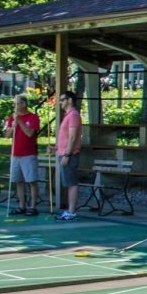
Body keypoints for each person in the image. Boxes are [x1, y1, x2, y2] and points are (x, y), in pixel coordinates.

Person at [4, 94, 42, 215]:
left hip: (28, 153)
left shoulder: (33, 117)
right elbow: (7, 135)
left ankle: (33, 207)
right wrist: (12, 127)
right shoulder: (12, 118)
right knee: (18, 181)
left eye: (17, 103)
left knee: (31, 180)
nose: (15, 106)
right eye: (14, 104)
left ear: (23, 104)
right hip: (15, 153)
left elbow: (30, 133)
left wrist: (20, 121)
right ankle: (22, 206)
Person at [53, 91, 83, 221]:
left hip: (70, 154)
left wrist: (67, 154)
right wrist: (56, 148)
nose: (60, 102)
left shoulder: (73, 115)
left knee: (72, 183)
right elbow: (66, 138)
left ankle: (71, 211)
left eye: (62, 100)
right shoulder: (67, 115)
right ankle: (70, 210)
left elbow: (72, 137)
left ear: (70, 100)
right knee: (68, 182)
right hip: (64, 152)